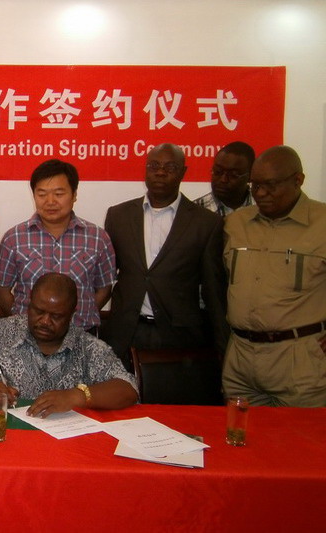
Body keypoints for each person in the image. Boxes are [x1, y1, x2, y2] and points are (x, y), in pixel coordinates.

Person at [100, 143, 229, 368]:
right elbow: (108, 274)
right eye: (154, 166)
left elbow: (213, 290)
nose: (160, 172)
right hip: (126, 332)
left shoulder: (206, 223)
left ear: (183, 172)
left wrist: (223, 349)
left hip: (179, 337)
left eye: (170, 167)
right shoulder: (118, 216)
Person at [222, 145, 326, 407]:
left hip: (300, 362)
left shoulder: (322, 222)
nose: (260, 194)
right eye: (255, 185)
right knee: (240, 432)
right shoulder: (236, 223)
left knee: (298, 434)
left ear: (298, 180)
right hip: (240, 361)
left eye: (270, 185)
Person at [0, 273, 137, 417]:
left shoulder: (87, 347)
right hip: (10, 432)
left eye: (56, 316)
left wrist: (77, 396)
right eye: (38, 311)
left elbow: (128, 389)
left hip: (66, 442)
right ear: (30, 305)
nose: (45, 321)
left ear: (71, 314)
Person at [0, 158, 116, 334]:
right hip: (28, 336)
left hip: (81, 335)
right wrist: (22, 323)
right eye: (42, 194)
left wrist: (81, 317)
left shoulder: (98, 238)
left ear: (74, 195)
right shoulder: (14, 238)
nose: (50, 201)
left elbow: (104, 288)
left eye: (59, 194)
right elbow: (0, 290)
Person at [194, 141, 255, 216]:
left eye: (233, 175)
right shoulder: (193, 212)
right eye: (217, 172)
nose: (223, 179)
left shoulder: (263, 209)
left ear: (250, 176)